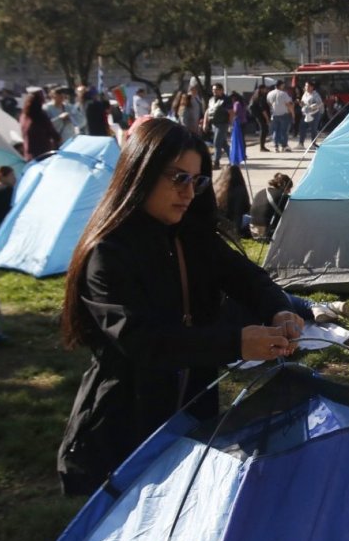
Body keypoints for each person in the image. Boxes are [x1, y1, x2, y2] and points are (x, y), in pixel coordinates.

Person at [56, 119, 305, 495]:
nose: (188, 191)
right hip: (125, 426)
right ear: (140, 173)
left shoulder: (192, 236)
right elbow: (145, 341)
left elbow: (247, 277)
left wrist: (279, 310)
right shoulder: (107, 254)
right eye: (178, 178)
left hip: (192, 414)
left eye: (197, 179)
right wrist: (236, 343)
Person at [249, 172, 294, 240]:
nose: (289, 191)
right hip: (268, 233)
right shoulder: (281, 196)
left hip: (253, 231)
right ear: (284, 186)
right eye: (289, 188)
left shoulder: (261, 192)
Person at [19, 89, 61, 160]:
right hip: (42, 152)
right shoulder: (40, 116)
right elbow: (52, 132)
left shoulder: (23, 116)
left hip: (28, 152)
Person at [205, 83, 233, 166]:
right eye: (213, 90)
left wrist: (230, 124)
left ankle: (216, 162)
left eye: (216, 89)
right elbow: (207, 111)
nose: (214, 91)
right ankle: (233, 158)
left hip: (223, 124)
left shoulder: (226, 100)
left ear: (221, 90)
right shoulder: (211, 99)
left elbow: (231, 112)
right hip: (214, 124)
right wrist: (205, 123)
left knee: (217, 142)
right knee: (223, 143)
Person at [268, 80, 295, 152]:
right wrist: (293, 113)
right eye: (283, 85)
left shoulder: (270, 93)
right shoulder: (283, 94)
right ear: (281, 85)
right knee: (284, 131)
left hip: (274, 114)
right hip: (283, 114)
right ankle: (284, 145)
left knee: (275, 131)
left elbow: (269, 103)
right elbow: (289, 104)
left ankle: (275, 146)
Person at [299, 82, 324, 150]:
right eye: (306, 86)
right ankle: (301, 143)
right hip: (306, 113)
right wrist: (301, 104)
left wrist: (312, 107)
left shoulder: (315, 95)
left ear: (312, 87)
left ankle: (313, 144)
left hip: (314, 114)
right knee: (302, 127)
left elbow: (320, 104)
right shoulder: (305, 94)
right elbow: (303, 102)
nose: (306, 87)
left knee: (313, 129)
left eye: (308, 86)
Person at [250, 85, 272, 152]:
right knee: (264, 129)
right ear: (262, 89)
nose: (266, 90)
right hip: (260, 116)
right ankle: (262, 147)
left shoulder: (255, 96)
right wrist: (267, 119)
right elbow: (263, 110)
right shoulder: (261, 97)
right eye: (265, 89)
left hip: (258, 115)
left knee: (263, 129)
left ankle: (262, 146)